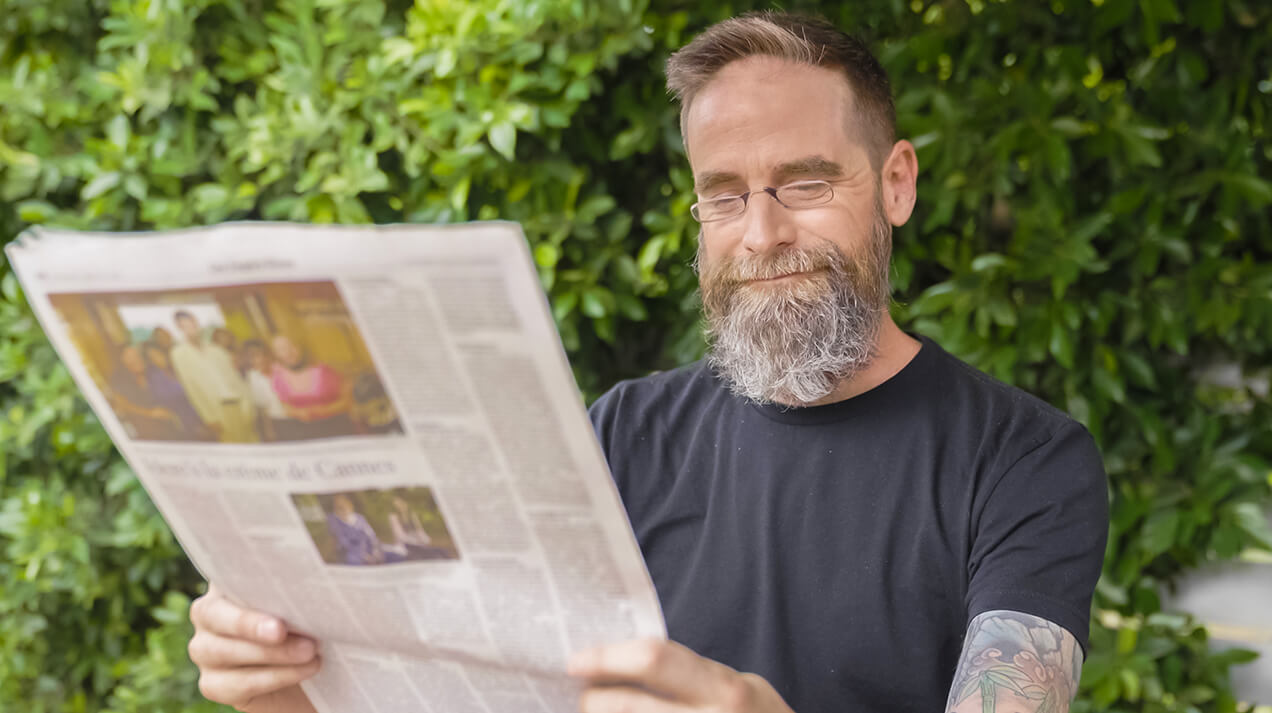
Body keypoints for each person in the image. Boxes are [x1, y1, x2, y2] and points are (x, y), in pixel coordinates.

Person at [186, 11, 1108, 713]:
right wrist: (299, 686)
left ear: (895, 183)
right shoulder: (623, 430)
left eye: (807, 182)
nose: (763, 233)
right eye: (723, 195)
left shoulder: (1027, 461)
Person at [169, 311, 257, 442]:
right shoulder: (179, 354)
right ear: (179, 328)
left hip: (239, 404)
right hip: (219, 411)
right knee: (234, 448)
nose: (191, 328)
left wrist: (248, 403)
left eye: (193, 324)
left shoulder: (216, 350)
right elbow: (191, 388)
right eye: (185, 326)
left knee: (254, 442)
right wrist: (209, 418)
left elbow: (235, 378)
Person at [267, 334, 355, 441]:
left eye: (292, 346)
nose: (288, 352)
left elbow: (347, 401)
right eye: (281, 349)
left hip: (336, 428)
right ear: (276, 354)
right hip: (305, 433)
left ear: (300, 347)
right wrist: (298, 412)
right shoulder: (278, 378)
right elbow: (286, 407)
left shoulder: (323, 371)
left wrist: (324, 410)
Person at [106, 344, 183, 440]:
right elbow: (122, 405)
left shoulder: (151, 371)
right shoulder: (119, 379)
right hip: (146, 433)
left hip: (171, 428)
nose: (137, 359)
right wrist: (150, 413)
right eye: (131, 357)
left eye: (137, 355)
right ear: (122, 361)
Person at [141, 340, 213, 441]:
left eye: (158, 354)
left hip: (208, 413)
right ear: (150, 362)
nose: (158, 359)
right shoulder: (155, 378)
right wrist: (198, 426)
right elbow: (172, 403)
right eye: (153, 358)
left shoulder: (179, 367)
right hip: (189, 425)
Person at [241, 339, 291, 442]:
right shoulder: (253, 377)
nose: (260, 359)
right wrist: (269, 431)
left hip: (297, 414)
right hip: (279, 420)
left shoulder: (281, 368)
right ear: (248, 359)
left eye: (261, 354)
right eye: (253, 357)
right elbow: (263, 408)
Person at [323, 494, 394, 566]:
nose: (342, 506)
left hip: (370, 550)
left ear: (350, 504)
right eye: (338, 505)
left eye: (344, 503)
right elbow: (344, 543)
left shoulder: (360, 518)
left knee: (394, 555)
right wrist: (364, 556)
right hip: (353, 554)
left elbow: (372, 537)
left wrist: (375, 551)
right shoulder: (334, 521)